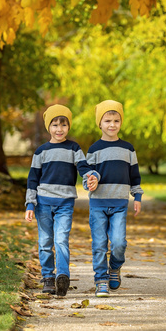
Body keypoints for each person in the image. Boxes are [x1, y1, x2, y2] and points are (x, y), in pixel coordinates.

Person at [25, 104, 99, 296]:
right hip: (43, 202)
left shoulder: (74, 148)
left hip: (65, 202)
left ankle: (62, 275)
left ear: (69, 127)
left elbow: (83, 167)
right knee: (45, 242)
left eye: (63, 125)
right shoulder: (41, 152)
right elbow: (32, 179)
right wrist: (30, 204)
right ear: (48, 126)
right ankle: (48, 276)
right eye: (55, 125)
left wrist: (91, 175)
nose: (59, 129)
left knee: (61, 239)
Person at [84, 100, 143, 297]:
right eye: (107, 120)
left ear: (121, 122)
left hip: (119, 204)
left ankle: (115, 267)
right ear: (99, 123)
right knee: (99, 244)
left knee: (119, 243)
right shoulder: (93, 149)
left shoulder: (128, 149)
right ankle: (101, 280)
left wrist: (137, 196)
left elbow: (134, 175)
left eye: (116, 120)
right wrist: (90, 182)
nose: (112, 124)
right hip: (98, 204)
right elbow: (87, 176)